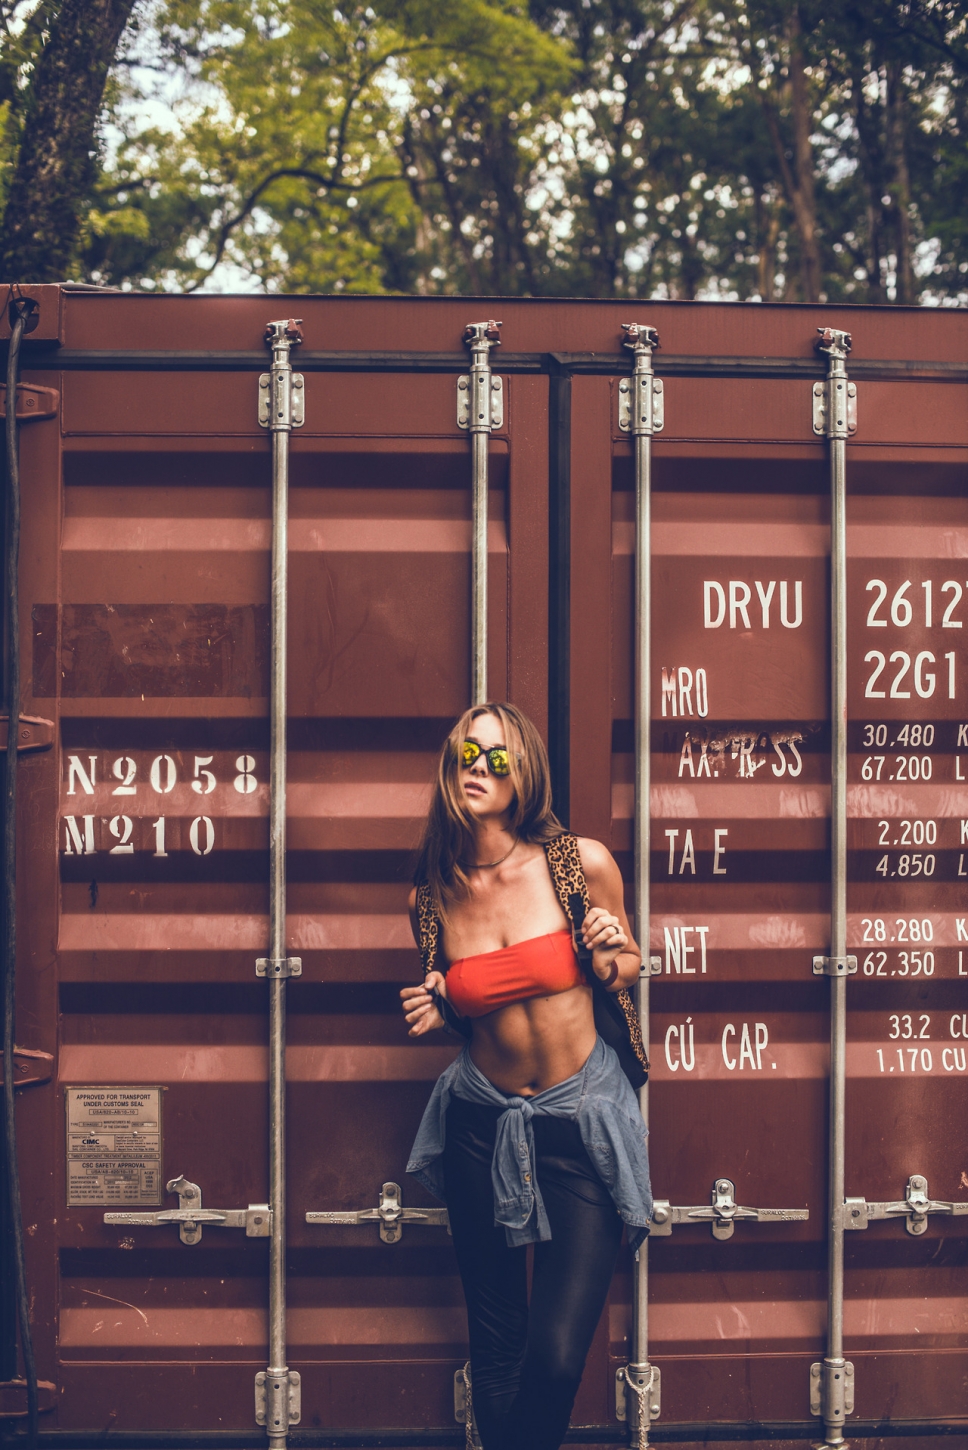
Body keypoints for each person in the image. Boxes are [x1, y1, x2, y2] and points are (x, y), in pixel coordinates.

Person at [401, 702, 652, 1450]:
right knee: (498, 1349)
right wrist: (439, 1007)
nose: (479, 769)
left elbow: (627, 967)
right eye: (465, 756)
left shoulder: (580, 864)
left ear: (524, 774)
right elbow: (461, 1002)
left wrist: (614, 954)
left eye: (497, 759)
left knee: (556, 1355)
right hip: (484, 1124)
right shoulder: (430, 896)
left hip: (580, 1125)